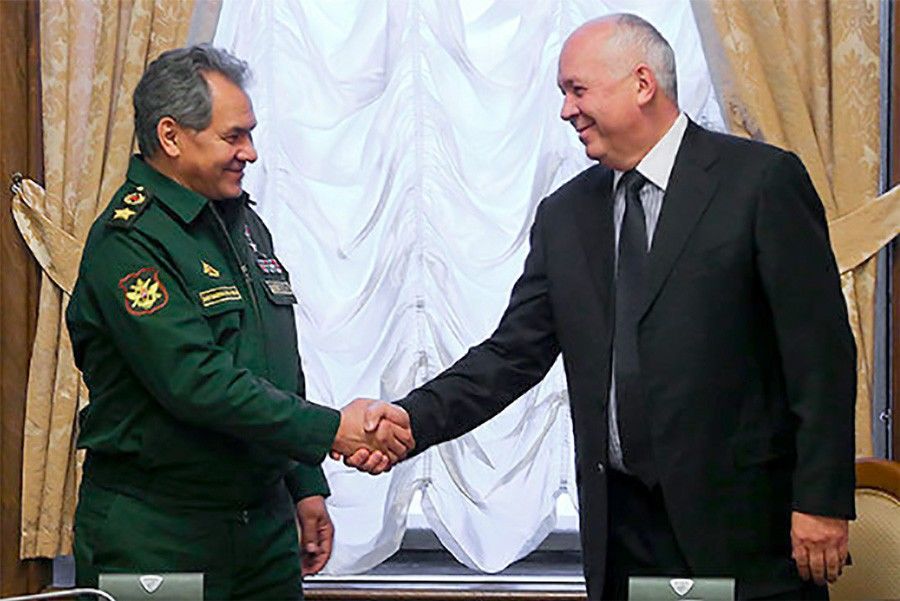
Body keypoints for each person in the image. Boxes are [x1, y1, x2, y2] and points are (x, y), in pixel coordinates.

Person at [344, 14, 856, 600]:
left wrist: (821, 500)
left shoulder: (760, 182)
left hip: (745, 528)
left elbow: (819, 355)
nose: (566, 110)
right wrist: (411, 420)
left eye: (577, 89)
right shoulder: (565, 215)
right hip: (624, 529)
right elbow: (511, 355)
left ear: (642, 83)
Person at [67, 44, 411, 600]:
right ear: (171, 136)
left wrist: (305, 483)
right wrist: (332, 431)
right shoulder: (128, 242)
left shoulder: (244, 226)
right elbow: (196, 382)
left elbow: (277, 364)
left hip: (261, 532)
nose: (249, 152)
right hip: (157, 533)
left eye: (249, 135)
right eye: (234, 137)